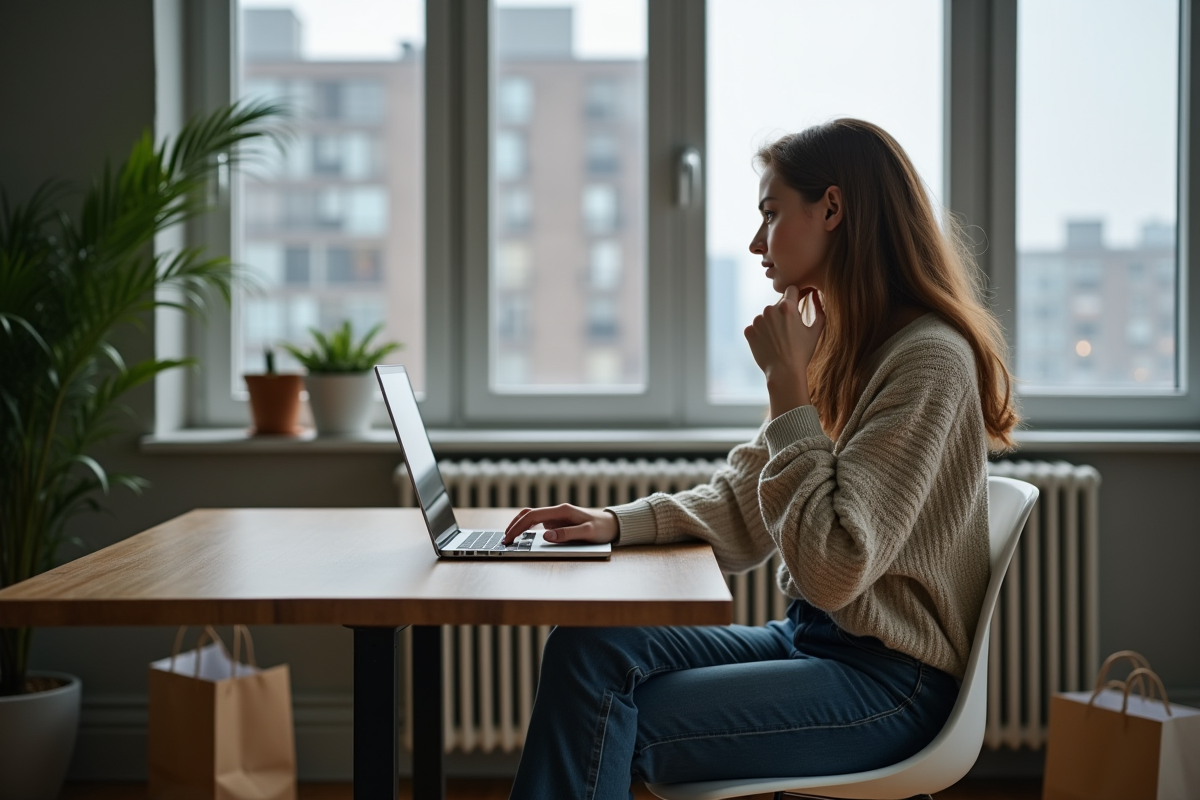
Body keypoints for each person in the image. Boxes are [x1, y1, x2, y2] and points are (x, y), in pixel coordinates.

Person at [501, 118, 1019, 799]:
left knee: (609, 715)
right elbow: (744, 502)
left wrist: (786, 387)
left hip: (893, 685)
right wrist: (616, 522)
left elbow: (832, 568)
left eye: (770, 214)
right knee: (588, 648)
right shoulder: (840, 348)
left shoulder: (929, 361)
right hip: (812, 641)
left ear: (831, 209)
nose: (755, 242)